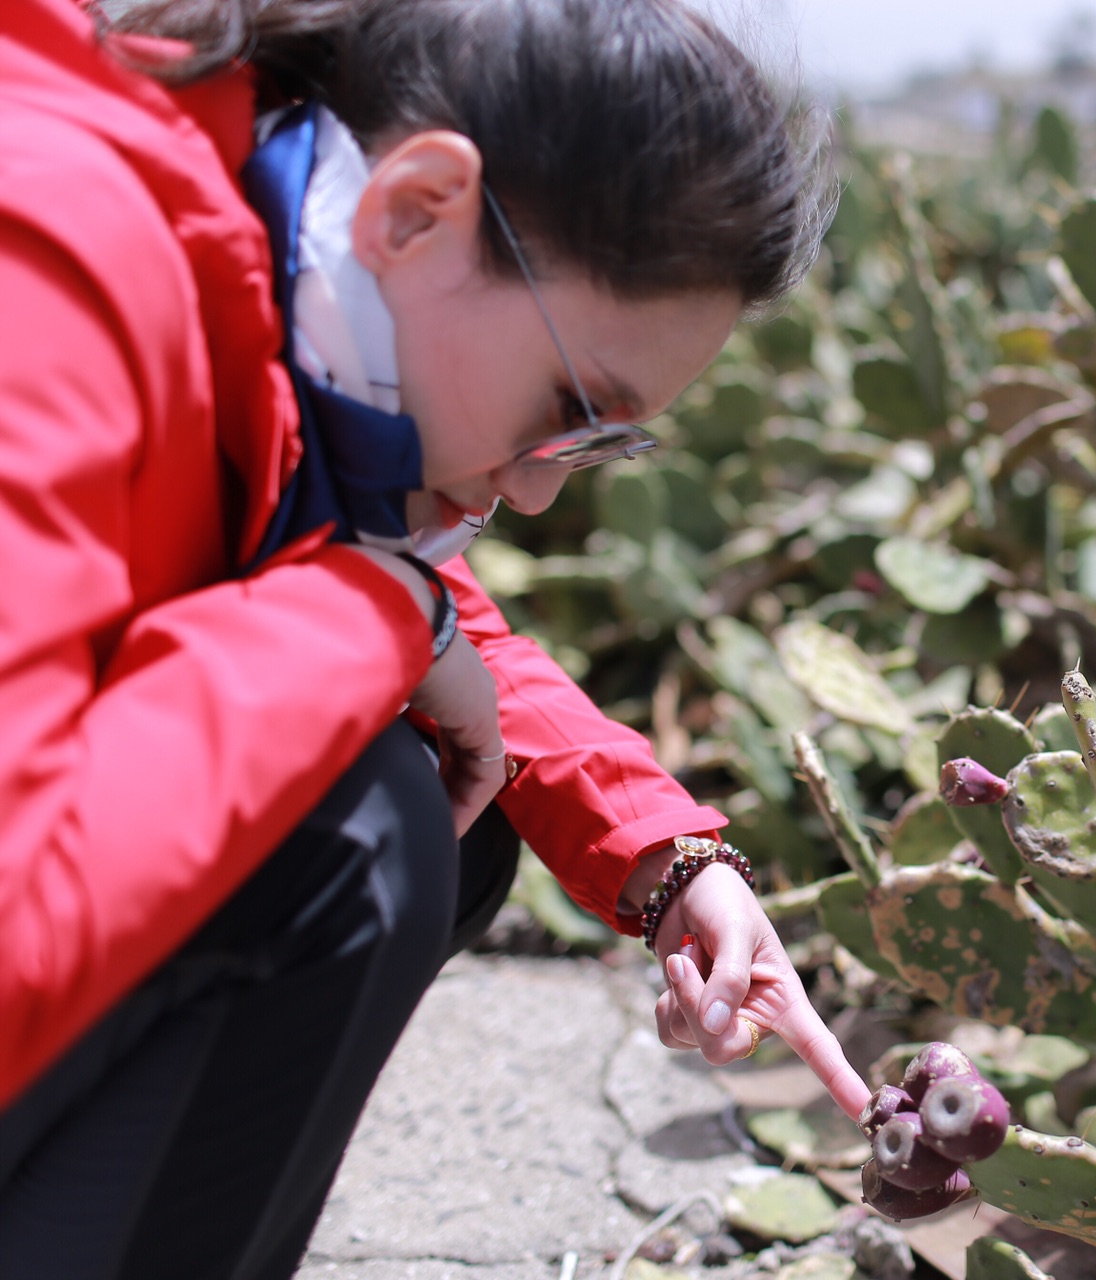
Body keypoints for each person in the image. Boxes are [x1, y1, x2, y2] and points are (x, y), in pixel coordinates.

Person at [0, 0, 868, 1272]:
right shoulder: (49, 264)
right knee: (362, 837)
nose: (535, 490)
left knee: (432, 814)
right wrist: (382, 617)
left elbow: (376, 573)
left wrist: (668, 859)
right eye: (570, 411)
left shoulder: (262, 248)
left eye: (603, 446)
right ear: (415, 210)